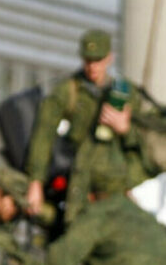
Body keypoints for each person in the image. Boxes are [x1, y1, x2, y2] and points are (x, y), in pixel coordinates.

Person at [25, 28, 149, 224]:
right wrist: (35, 182)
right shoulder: (68, 91)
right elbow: (43, 135)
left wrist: (125, 129)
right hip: (80, 183)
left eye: (98, 60)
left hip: (117, 185)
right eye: (88, 60)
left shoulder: (125, 93)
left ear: (110, 58)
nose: (92, 67)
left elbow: (144, 144)